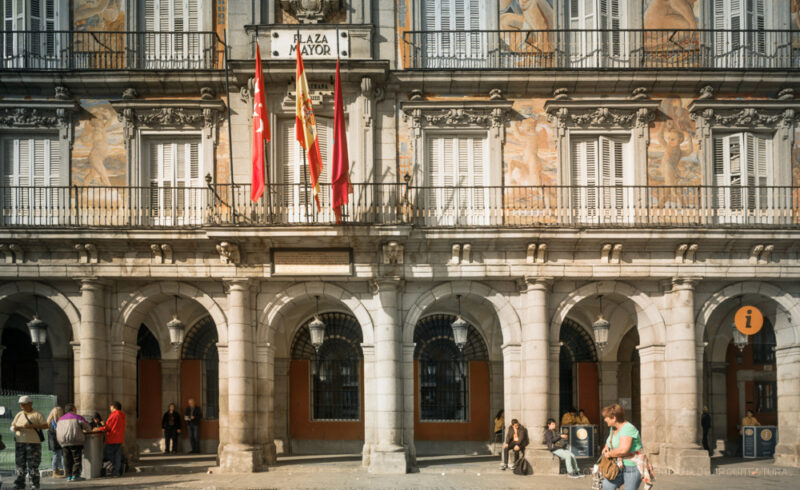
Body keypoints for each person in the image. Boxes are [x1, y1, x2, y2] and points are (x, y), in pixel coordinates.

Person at [600, 403, 652, 490]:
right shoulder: (613, 428)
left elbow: (623, 450)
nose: (605, 419)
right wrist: (606, 447)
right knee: (607, 486)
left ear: (614, 418)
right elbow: (610, 440)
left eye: (606, 417)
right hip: (618, 465)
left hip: (632, 466)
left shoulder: (628, 428)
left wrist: (609, 454)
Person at [11, 395, 48, 490]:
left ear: (30, 404)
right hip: (20, 443)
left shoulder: (37, 414)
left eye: (24, 404)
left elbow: (45, 425)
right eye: (21, 405)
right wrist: (16, 428)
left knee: (33, 465)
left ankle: (34, 484)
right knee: (19, 465)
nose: (22, 406)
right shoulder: (19, 414)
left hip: (33, 444)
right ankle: (19, 484)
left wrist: (32, 426)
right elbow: (12, 426)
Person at [56, 403, 91, 482]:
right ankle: (76, 476)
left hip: (63, 442)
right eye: (75, 408)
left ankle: (69, 476)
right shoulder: (78, 417)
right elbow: (88, 427)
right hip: (75, 441)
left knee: (67, 459)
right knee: (77, 459)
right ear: (73, 409)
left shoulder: (60, 419)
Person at [98, 401, 126, 477]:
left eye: (110, 407)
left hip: (112, 438)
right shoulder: (122, 415)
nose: (110, 408)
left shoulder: (113, 415)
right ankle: (117, 472)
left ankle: (115, 468)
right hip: (119, 438)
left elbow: (108, 428)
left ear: (114, 407)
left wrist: (99, 428)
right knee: (117, 455)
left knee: (108, 455)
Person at [46, 406, 65, 478]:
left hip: (54, 442)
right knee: (57, 455)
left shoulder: (50, 421)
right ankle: (55, 471)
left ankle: (57, 470)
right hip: (56, 442)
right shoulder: (53, 422)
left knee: (57, 455)